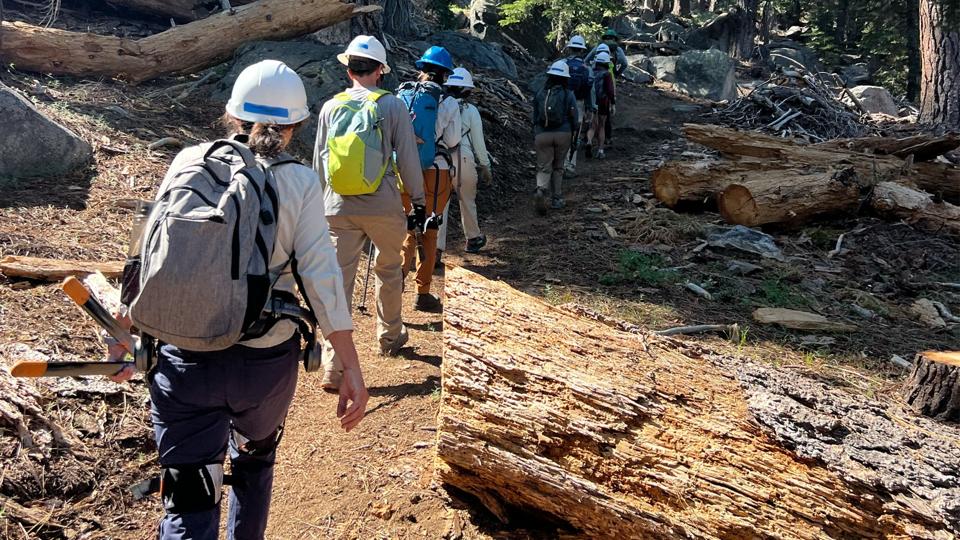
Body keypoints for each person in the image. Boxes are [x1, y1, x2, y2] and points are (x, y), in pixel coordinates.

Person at [113, 59, 369, 539]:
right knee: (255, 466)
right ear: (295, 125)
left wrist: (124, 328)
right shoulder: (299, 182)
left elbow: (147, 250)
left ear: (233, 116)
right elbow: (320, 273)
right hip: (263, 365)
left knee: (188, 501)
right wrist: (350, 365)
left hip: (183, 359)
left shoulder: (190, 161)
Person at [313, 36, 427, 386]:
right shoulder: (391, 106)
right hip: (382, 204)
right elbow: (407, 158)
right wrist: (419, 200)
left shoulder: (330, 107)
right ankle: (389, 337)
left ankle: (333, 366)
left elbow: (320, 160)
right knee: (388, 269)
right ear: (380, 70)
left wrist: (318, 205)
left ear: (348, 69)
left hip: (337, 206)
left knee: (338, 283)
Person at [397, 46, 461, 312]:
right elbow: (453, 139)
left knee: (407, 226)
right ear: (445, 75)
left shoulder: (402, 94)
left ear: (421, 69)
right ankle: (422, 292)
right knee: (430, 228)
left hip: (404, 168)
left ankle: (395, 281)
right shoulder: (447, 102)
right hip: (436, 171)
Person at [437, 67, 492, 254]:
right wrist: (485, 165)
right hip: (463, 158)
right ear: (466, 90)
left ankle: (436, 247)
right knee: (467, 200)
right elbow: (479, 142)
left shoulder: (439, 104)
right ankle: (473, 238)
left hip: (439, 158)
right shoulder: (470, 110)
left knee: (440, 203)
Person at [532, 60, 578, 215]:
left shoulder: (540, 93)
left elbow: (534, 116)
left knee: (543, 167)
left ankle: (540, 190)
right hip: (562, 134)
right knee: (558, 167)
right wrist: (573, 134)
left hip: (542, 134)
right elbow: (574, 117)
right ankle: (556, 199)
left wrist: (537, 132)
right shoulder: (568, 94)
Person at [586, 29, 627, 146]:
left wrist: (590, 69)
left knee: (590, 107)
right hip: (610, 78)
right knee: (607, 112)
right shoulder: (617, 49)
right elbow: (625, 63)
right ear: (615, 38)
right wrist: (617, 73)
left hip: (594, 78)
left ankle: (587, 137)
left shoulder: (598, 47)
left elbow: (586, 60)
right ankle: (607, 138)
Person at [562, 35, 595, 177]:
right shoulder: (587, 68)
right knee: (574, 135)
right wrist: (590, 108)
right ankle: (570, 166)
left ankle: (558, 164)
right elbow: (590, 90)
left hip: (561, 103)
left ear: (569, 48)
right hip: (579, 104)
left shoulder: (561, 64)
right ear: (582, 51)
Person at [586, 51, 616, 159]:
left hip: (592, 101)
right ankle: (600, 150)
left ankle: (589, 141)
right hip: (603, 102)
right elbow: (610, 91)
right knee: (602, 126)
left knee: (592, 125)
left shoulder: (591, 72)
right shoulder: (607, 74)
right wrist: (613, 104)